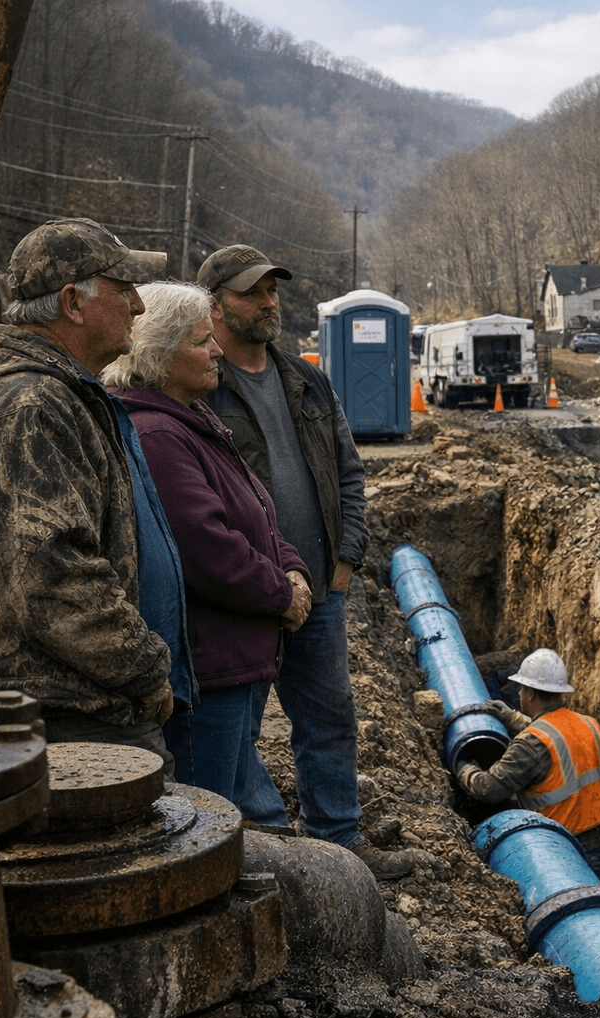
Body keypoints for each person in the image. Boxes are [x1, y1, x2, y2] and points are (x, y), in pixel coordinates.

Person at [197, 244, 425, 879]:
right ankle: (270, 851)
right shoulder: (201, 387)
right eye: (252, 293)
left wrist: (346, 556)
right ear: (213, 306)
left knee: (329, 720)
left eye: (272, 290)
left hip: (320, 590)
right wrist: (253, 579)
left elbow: (349, 472)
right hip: (246, 595)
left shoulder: (306, 379)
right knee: (235, 731)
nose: (269, 302)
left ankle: (340, 846)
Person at [0, 217, 184, 769]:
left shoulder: (49, 394)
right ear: (73, 302)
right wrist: (144, 669)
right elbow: (49, 580)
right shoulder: (30, 406)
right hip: (58, 715)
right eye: (124, 290)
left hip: (54, 705)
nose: (139, 306)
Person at [103, 281, 313, 822]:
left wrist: (292, 567)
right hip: (209, 672)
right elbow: (207, 549)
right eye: (202, 341)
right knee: (215, 819)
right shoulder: (158, 434)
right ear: (159, 354)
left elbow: (257, 512)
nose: (218, 349)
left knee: (251, 812)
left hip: (232, 665)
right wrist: (281, 595)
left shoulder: (191, 418)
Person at [453, 649, 600, 884]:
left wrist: (464, 767)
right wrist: (514, 718)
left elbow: (489, 789)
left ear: (531, 695)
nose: (519, 693)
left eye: (521, 689)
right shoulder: (588, 723)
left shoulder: (530, 744)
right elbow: (555, 735)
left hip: (571, 843)